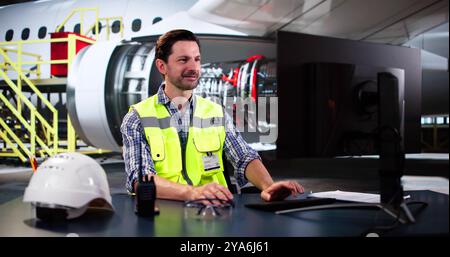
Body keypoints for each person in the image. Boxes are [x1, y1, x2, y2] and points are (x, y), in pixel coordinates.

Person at [121, 29, 304, 204]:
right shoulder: (138, 118)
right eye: (183, 60)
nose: (193, 68)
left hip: (216, 216)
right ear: (162, 66)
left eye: (197, 59)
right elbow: (141, 179)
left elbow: (244, 157)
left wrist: (269, 186)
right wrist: (192, 193)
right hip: (164, 216)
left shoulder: (215, 112)